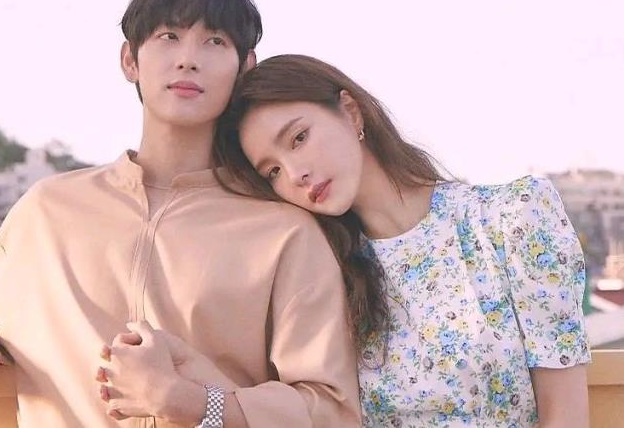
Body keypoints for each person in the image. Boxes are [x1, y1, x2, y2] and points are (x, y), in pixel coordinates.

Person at [0, 0, 361, 427]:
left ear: (245, 67)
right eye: (169, 36)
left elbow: (328, 410)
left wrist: (195, 401)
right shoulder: (47, 209)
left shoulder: (286, 232)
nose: (188, 60)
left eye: (214, 41)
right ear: (130, 60)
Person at [214, 54, 591, 427]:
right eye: (273, 171)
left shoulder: (511, 217)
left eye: (299, 138)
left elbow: (566, 413)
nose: (295, 174)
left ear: (350, 112)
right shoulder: (326, 273)